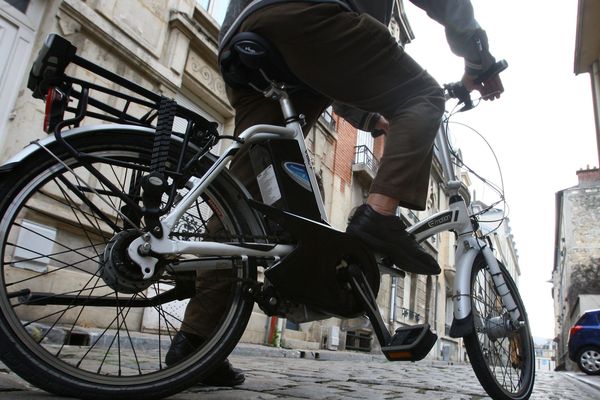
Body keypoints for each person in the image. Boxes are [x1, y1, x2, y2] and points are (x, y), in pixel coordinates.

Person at [166, 0, 504, 386]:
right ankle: (377, 216)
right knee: (424, 97)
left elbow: (330, 68)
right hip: (307, 17)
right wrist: (478, 59)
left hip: (245, 41)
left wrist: (371, 119)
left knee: (242, 207)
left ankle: (195, 345)